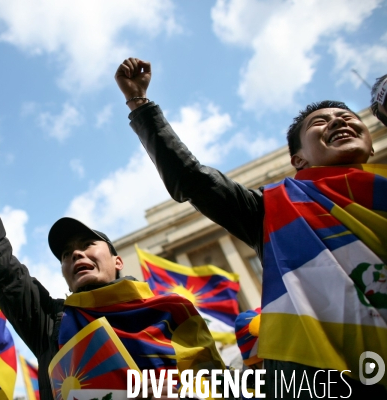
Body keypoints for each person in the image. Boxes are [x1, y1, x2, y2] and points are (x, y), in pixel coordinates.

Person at [115, 57, 387, 399]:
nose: (338, 122)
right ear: (298, 159)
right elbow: (193, 179)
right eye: (321, 122)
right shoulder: (271, 208)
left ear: (372, 143)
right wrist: (139, 103)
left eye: (348, 118)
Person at [0, 154, 225, 400]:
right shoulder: (52, 323)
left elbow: (221, 386)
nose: (76, 254)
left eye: (86, 244)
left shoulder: (173, 311)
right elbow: (3, 273)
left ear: (118, 261)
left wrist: (185, 393)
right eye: (67, 254)